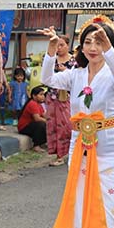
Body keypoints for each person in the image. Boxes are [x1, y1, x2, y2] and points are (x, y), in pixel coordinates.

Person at [40, 15, 114, 228]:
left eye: (99, 42)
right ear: (81, 46)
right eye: (88, 42)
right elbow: (47, 78)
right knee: (81, 201)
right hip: (80, 146)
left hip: (113, 152)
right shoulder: (76, 75)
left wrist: (110, 49)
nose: (93, 48)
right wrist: (51, 50)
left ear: (108, 45)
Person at [45, 34, 78, 166]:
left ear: (68, 45)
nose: (59, 48)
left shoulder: (74, 61)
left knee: (66, 125)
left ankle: (68, 151)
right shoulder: (51, 59)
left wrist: (66, 71)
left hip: (67, 97)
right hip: (52, 95)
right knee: (52, 125)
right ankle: (58, 154)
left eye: (62, 45)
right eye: (57, 45)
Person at [17, 86, 47, 153]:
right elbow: (37, 118)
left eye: (43, 95)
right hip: (24, 127)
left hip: (31, 125)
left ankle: (43, 142)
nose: (43, 97)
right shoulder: (32, 104)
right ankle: (36, 146)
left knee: (48, 124)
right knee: (41, 124)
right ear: (34, 96)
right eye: (41, 94)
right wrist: (48, 121)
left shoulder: (39, 104)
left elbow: (44, 115)